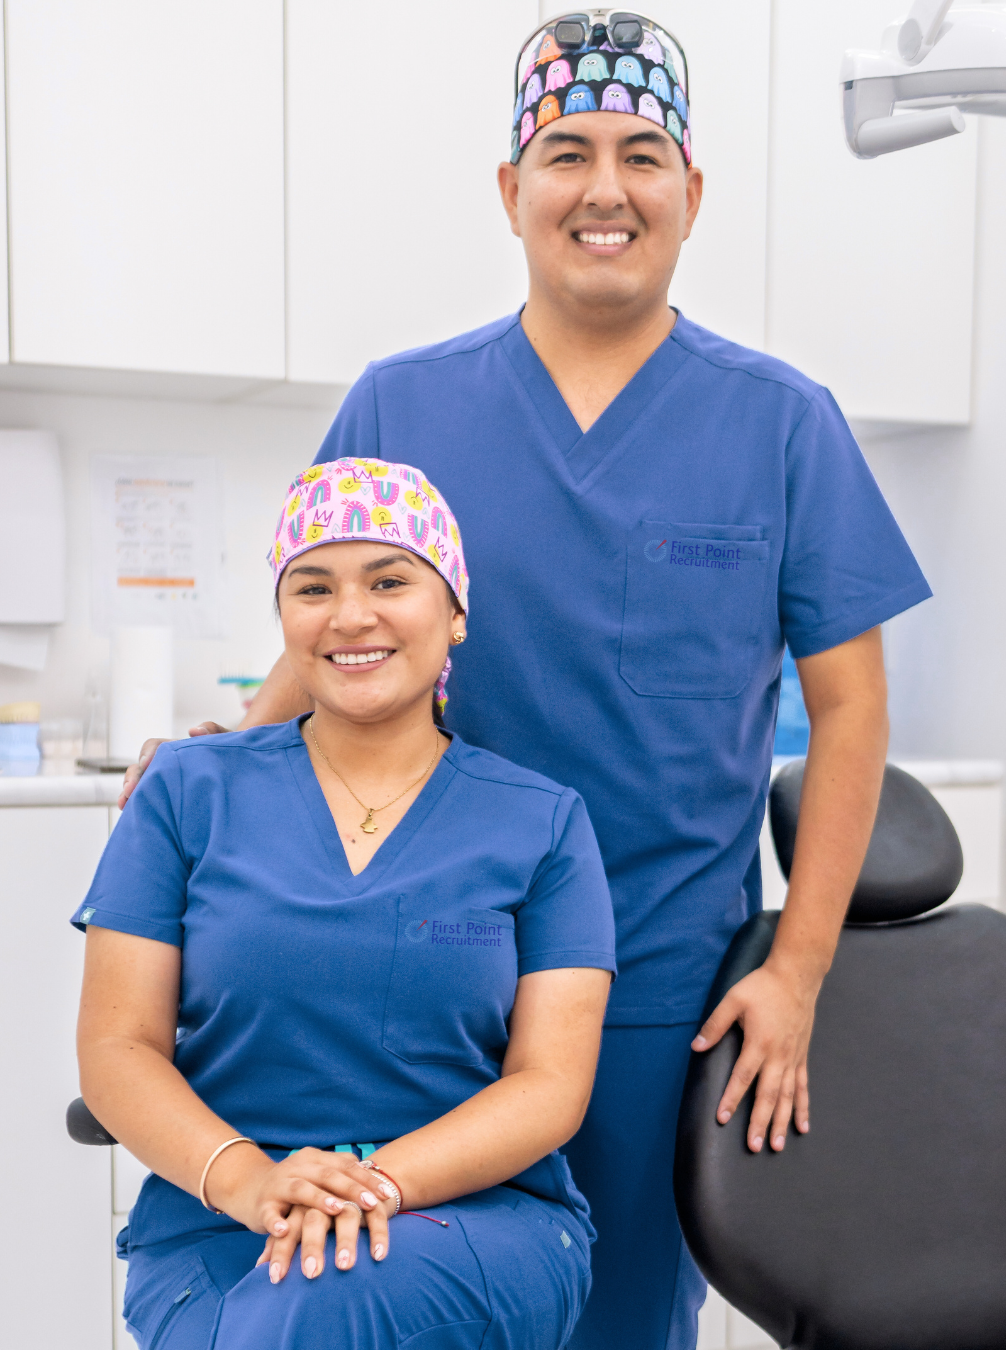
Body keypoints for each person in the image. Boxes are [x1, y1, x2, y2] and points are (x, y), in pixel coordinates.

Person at [120, 11, 932, 1349]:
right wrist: (218, 754)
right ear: (511, 190)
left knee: (614, 1322)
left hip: (653, 982)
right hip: (408, 982)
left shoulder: (783, 424)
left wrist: (796, 970)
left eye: (643, 154)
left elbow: (851, 710)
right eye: (565, 152)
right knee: (356, 1301)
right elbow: (336, 625)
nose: (604, 189)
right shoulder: (402, 406)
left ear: (692, 193)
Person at [76, 459, 616, 1350]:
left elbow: (549, 1085)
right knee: (289, 1303)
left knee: (314, 1301)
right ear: (284, 616)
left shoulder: (543, 823)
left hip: (471, 1216)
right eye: (313, 586)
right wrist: (252, 1182)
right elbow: (115, 1045)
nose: (350, 615)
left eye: (391, 580)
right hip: (222, 1219)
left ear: (456, 613)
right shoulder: (184, 793)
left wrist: (371, 1184)